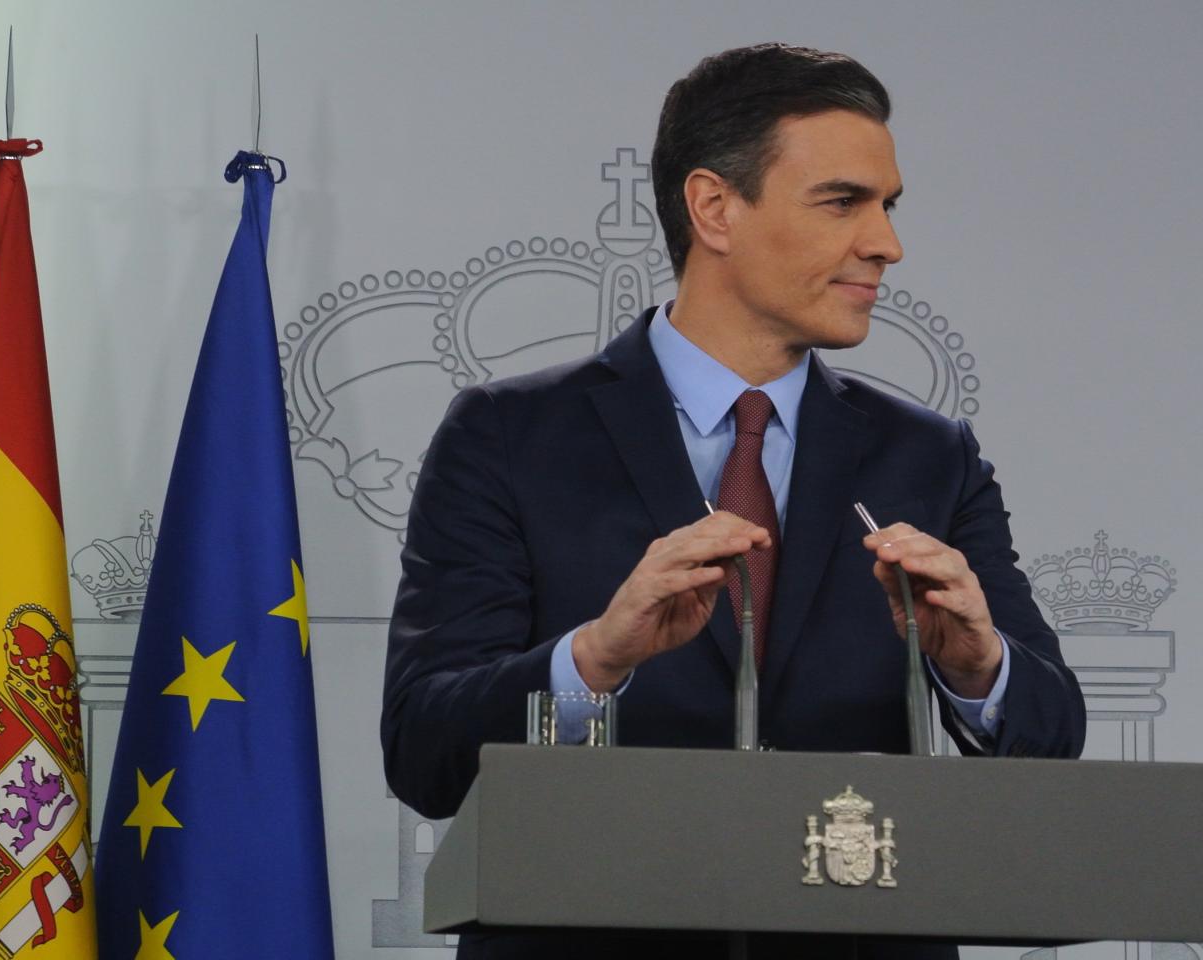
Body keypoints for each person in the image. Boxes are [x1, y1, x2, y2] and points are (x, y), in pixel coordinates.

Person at [382, 42, 1086, 959]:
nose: (887, 243)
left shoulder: (926, 456)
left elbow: (1052, 733)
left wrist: (976, 668)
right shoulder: (508, 436)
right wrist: (591, 661)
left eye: (888, 207)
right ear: (715, 207)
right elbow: (423, 752)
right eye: (843, 201)